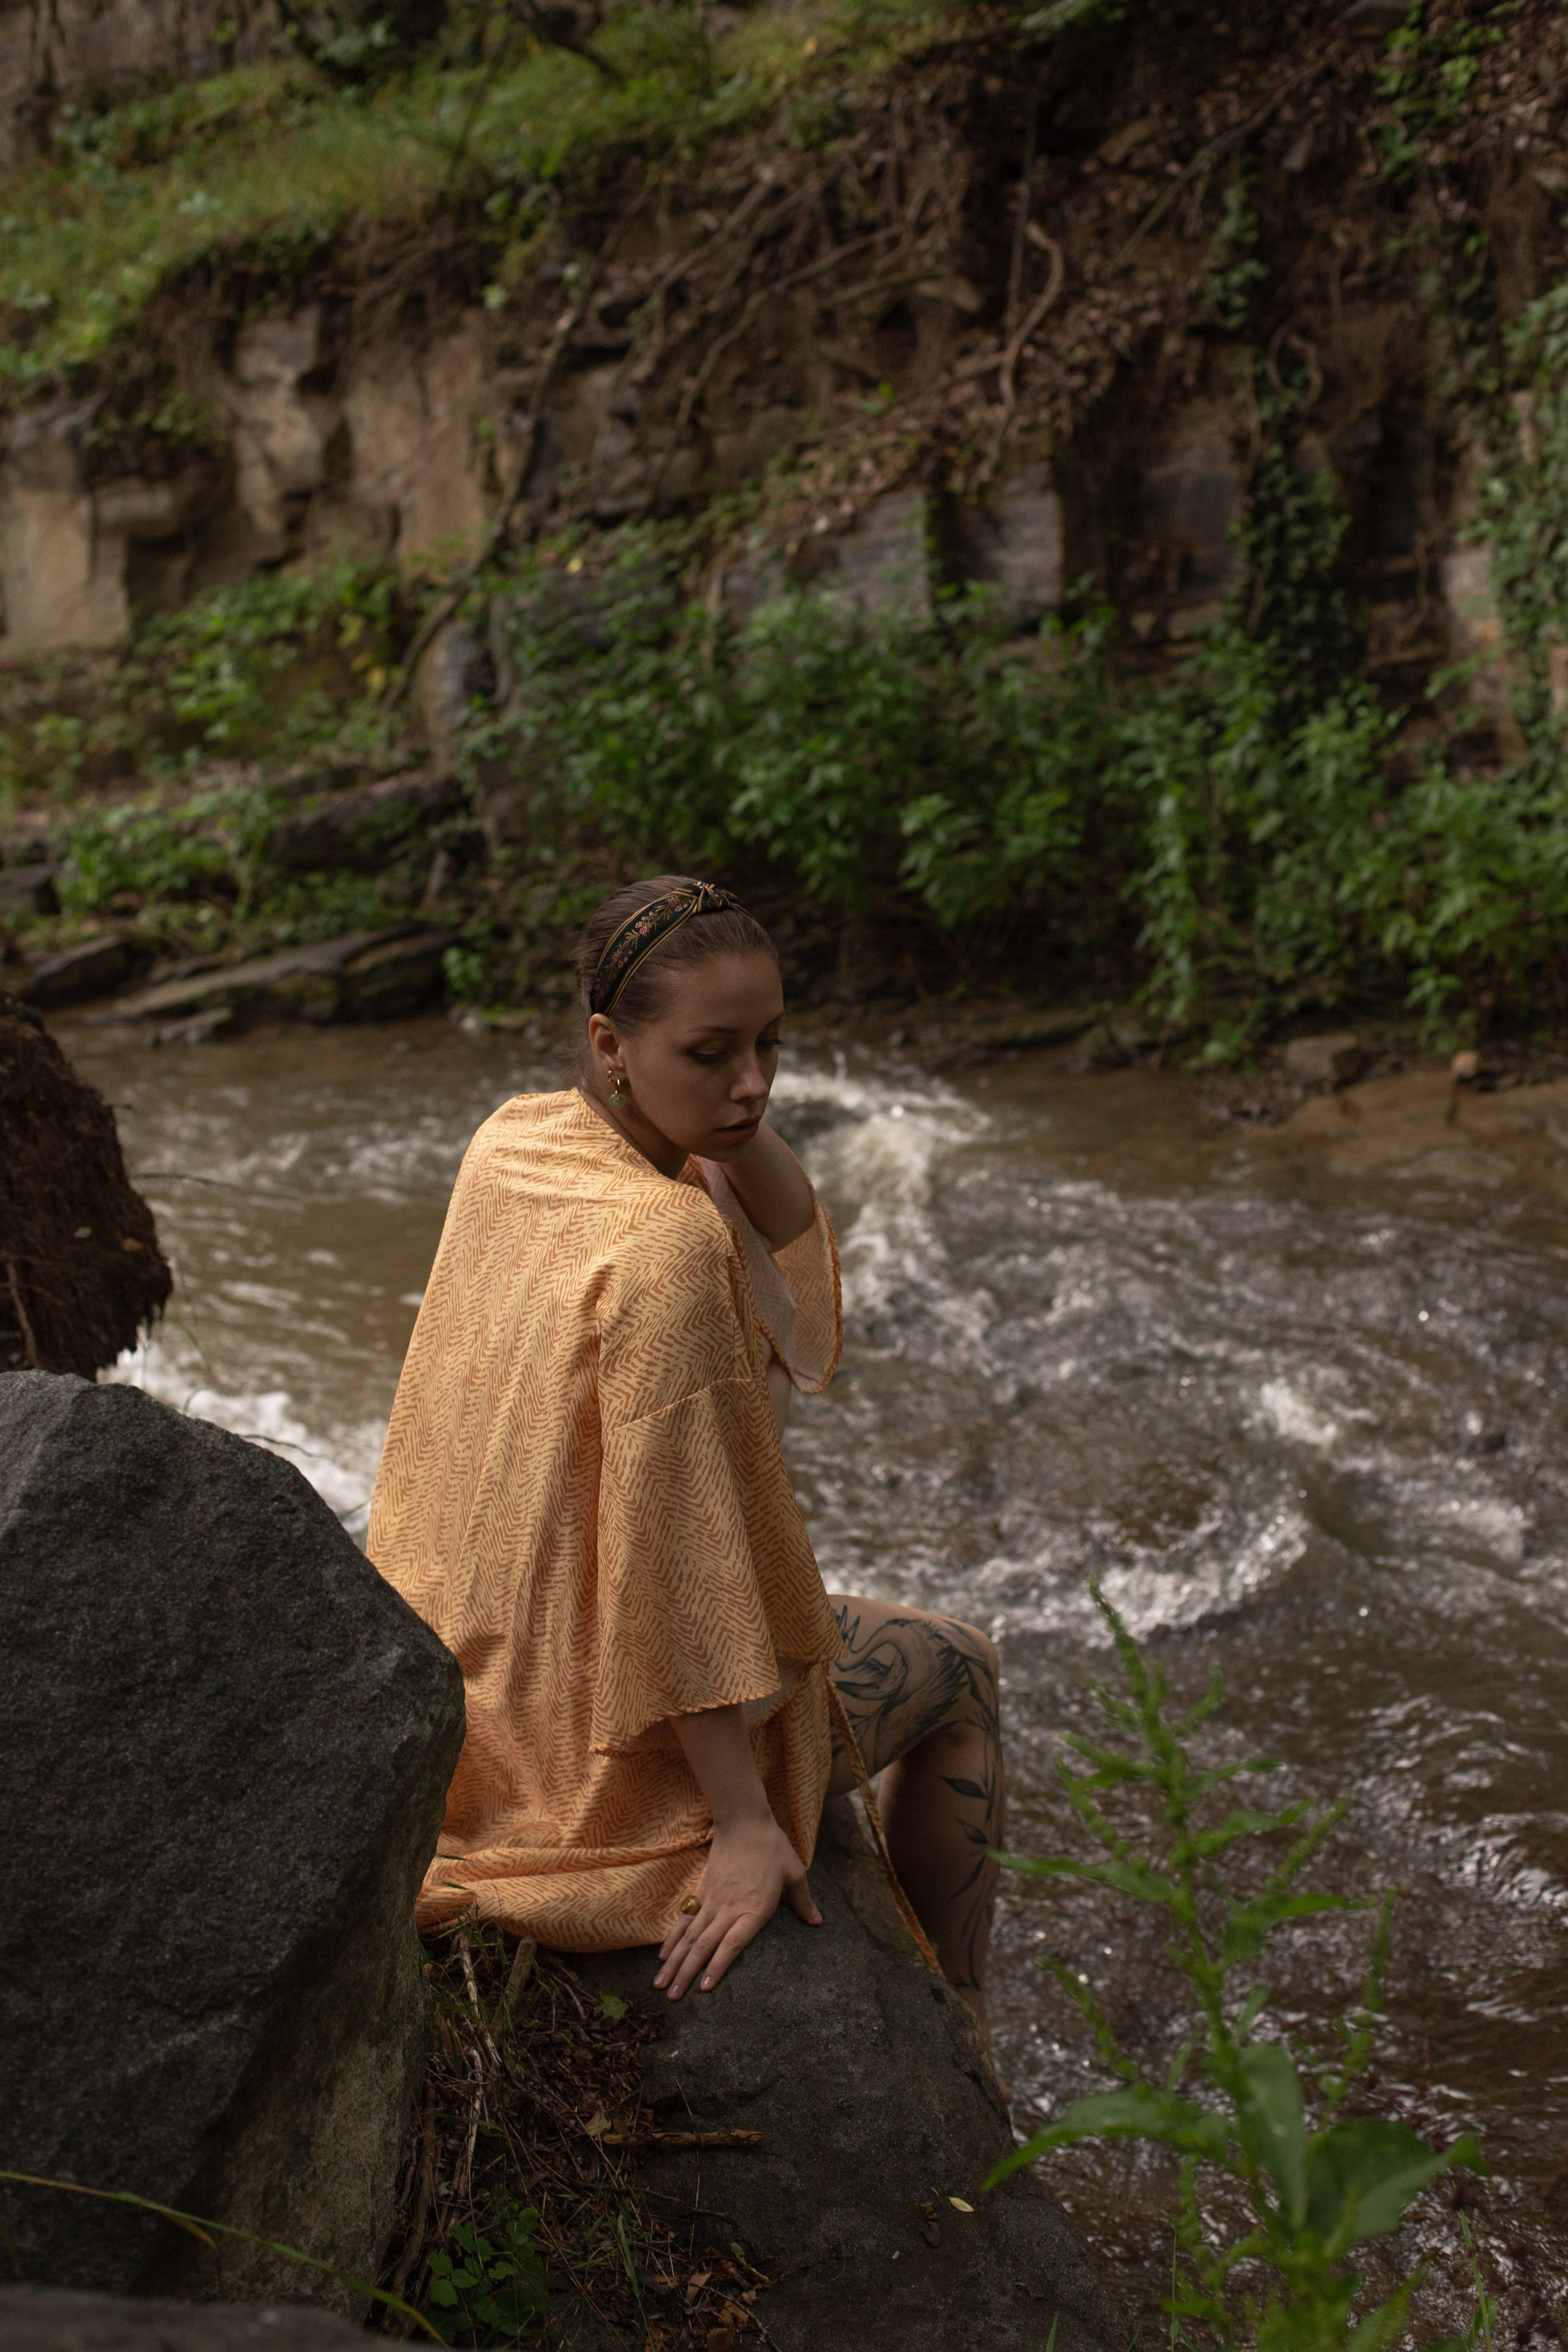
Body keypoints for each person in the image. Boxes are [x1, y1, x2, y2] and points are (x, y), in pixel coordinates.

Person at [368, 875, 1006, 2038]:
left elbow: (785, 1215)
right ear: (613, 1044)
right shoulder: (664, 1249)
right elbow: (679, 1556)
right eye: (713, 1053)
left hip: (467, 1672)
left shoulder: (517, 1138)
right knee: (961, 1666)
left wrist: (727, 1110)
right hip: (597, 1743)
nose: (753, 1083)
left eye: (771, 1045)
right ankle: (960, 2012)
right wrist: (745, 1820)